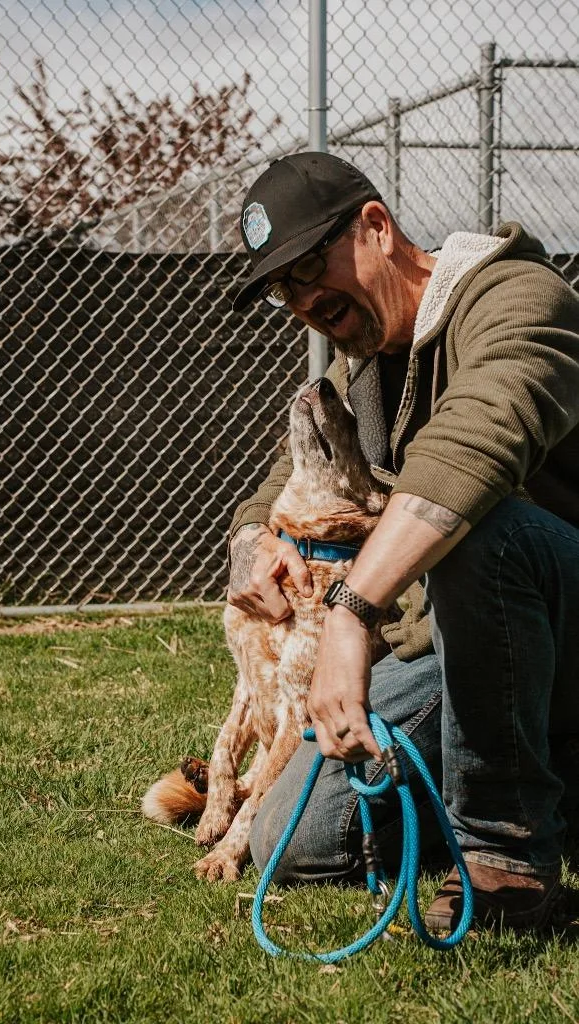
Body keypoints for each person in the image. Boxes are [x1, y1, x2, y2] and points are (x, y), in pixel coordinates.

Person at [227, 151, 579, 931]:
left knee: (481, 526)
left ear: (377, 228)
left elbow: (475, 445)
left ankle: (505, 859)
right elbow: (281, 476)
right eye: (284, 289)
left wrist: (351, 614)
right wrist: (256, 543)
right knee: (295, 844)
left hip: (563, 615)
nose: (303, 301)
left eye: (311, 267)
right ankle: (518, 778)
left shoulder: (519, 296)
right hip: (458, 649)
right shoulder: (367, 373)